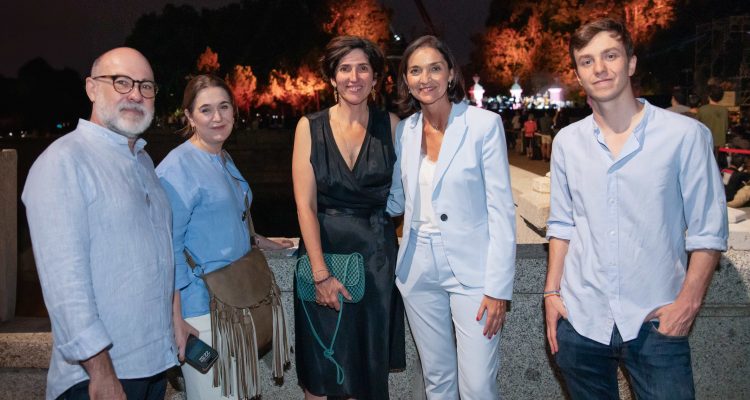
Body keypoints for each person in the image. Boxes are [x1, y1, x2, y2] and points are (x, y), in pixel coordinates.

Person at [545, 18, 728, 399]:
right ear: (578, 74)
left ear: (630, 63)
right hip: (581, 320)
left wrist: (687, 305)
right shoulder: (566, 142)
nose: (599, 68)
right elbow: (562, 224)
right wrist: (551, 296)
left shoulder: (685, 135)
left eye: (610, 56)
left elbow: (708, 231)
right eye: (587, 61)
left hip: (656, 320)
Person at [22, 47, 177, 400]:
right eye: (122, 82)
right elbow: (65, 284)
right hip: (97, 378)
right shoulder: (64, 161)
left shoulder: (144, 164)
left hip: (152, 367)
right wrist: (101, 370)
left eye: (146, 86)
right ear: (92, 88)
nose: (135, 94)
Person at [387, 35, 516, 399]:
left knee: (477, 385)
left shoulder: (483, 125)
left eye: (434, 68)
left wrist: (497, 289)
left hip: (473, 272)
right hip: (417, 267)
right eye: (415, 70)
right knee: (438, 380)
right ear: (406, 79)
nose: (425, 78)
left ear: (450, 74)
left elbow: (501, 211)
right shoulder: (406, 131)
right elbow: (395, 200)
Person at [156, 74, 292, 399]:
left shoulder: (221, 156)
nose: (217, 117)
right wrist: (176, 319)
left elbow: (227, 217)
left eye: (224, 107)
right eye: (205, 110)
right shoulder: (176, 169)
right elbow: (167, 249)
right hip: (201, 309)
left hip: (235, 300)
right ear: (189, 117)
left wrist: (257, 240)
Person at [291, 36, 406, 399]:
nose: (353, 77)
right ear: (332, 77)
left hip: (376, 264)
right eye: (344, 68)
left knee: (366, 375)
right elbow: (305, 205)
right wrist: (320, 273)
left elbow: (409, 195)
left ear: (375, 78)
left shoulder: (393, 126)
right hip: (322, 257)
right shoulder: (309, 127)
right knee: (320, 374)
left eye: (362, 68)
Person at [697, 84, 729, 168]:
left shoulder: (702, 109)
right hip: (720, 147)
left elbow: (697, 128)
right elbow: (726, 127)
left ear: (709, 95)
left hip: (706, 145)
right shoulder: (725, 110)